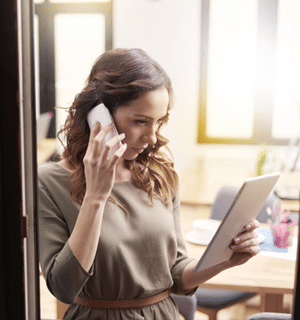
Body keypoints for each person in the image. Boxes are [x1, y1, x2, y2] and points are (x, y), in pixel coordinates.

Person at [37, 48, 261, 319]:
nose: (152, 138)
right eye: (140, 121)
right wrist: (95, 196)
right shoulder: (48, 182)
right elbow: (63, 287)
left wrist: (224, 260)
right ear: (99, 115)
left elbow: (177, 273)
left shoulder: (160, 176)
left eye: (159, 122)